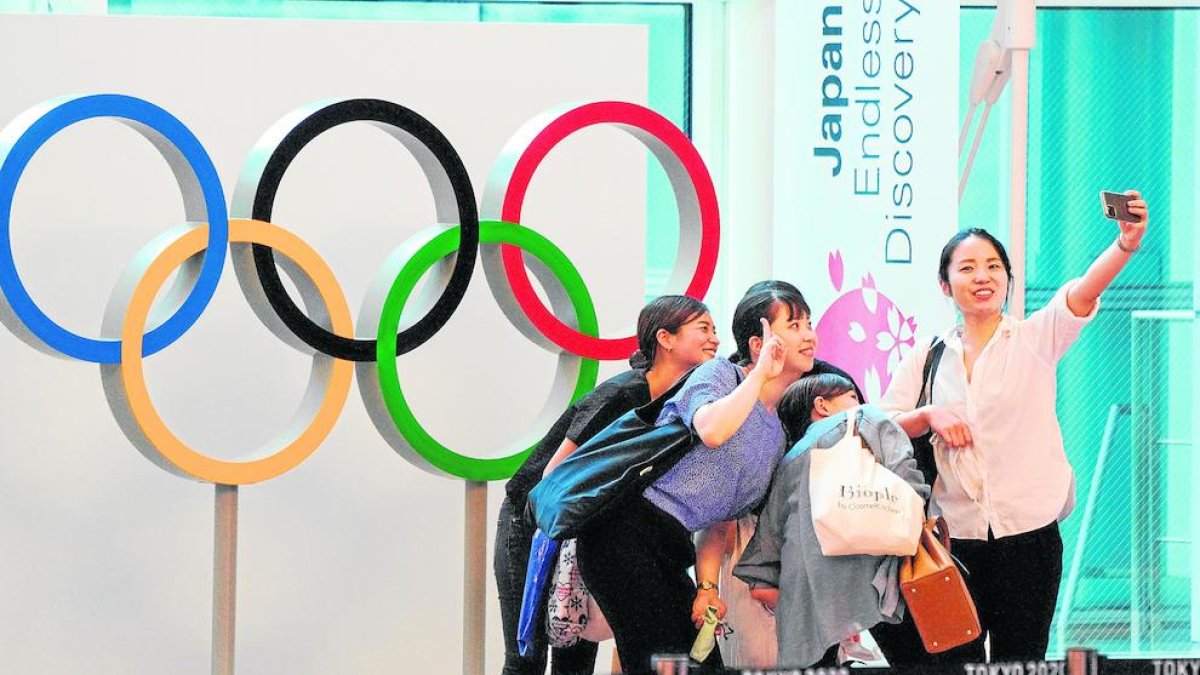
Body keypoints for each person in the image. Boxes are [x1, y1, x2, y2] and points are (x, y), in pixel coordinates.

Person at [875, 192, 1150, 663]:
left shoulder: (1034, 339)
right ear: (945, 285)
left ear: (1007, 279)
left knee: (1020, 660)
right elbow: (882, 428)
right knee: (954, 661)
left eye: (992, 266)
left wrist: (1125, 244)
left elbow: (1083, 292)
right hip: (952, 541)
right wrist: (928, 416)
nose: (981, 276)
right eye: (966, 268)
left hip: (1030, 538)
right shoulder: (925, 355)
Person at [575, 284, 816, 674]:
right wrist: (759, 377)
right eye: (794, 324)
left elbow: (721, 520)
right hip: (621, 533)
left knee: (700, 665)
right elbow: (712, 429)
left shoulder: (777, 436)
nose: (809, 334)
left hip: (671, 550)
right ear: (759, 343)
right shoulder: (719, 375)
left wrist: (707, 588)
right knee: (658, 663)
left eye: (809, 323)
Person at [494, 296, 719, 675]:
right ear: (665, 338)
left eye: (715, 331)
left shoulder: (684, 404)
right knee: (526, 659)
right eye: (703, 329)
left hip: (583, 530)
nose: (714, 339)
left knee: (576, 656)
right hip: (534, 525)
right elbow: (555, 474)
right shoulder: (624, 394)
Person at [733, 374, 928, 668]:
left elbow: (769, 540)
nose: (858, 403)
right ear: (821, 405)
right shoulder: (863, 417)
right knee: (919, 661)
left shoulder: (789, 461)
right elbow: (906, 473)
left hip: (810, 586)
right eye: (851, 396)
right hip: (876, 570)